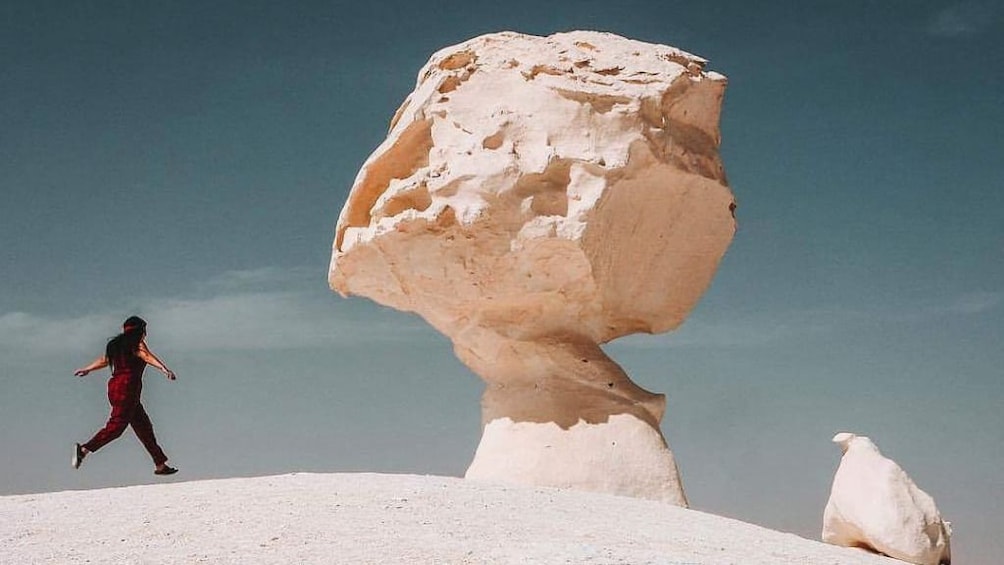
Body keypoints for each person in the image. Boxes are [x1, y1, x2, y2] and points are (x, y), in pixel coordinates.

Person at [73, 316, 178, 475]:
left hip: (118, 387)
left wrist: (88, 369)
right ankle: (84, 449)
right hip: (127, 388)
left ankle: (160, 464)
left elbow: (105, 360)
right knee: (116, 426)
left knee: (144, 427)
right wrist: (164, 369)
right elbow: (146, 356)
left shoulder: (115, 345)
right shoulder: (136, 343)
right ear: (140, 330)